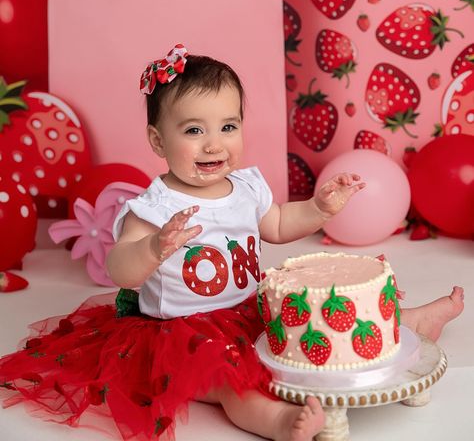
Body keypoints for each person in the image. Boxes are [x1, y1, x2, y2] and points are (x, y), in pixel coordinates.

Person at [0, 46, 464, 441]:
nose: (213, 144)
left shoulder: (246, 187)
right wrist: (155, 248)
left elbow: (279, 224)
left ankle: (411, 324)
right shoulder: (155, 206)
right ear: (158, 141)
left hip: (247, 308)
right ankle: (281, 422)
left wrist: (320, 208)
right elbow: (121, 268)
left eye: (228, 126)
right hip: (181, 332)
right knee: (229, 380)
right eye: (194, 130)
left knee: (318, 321)